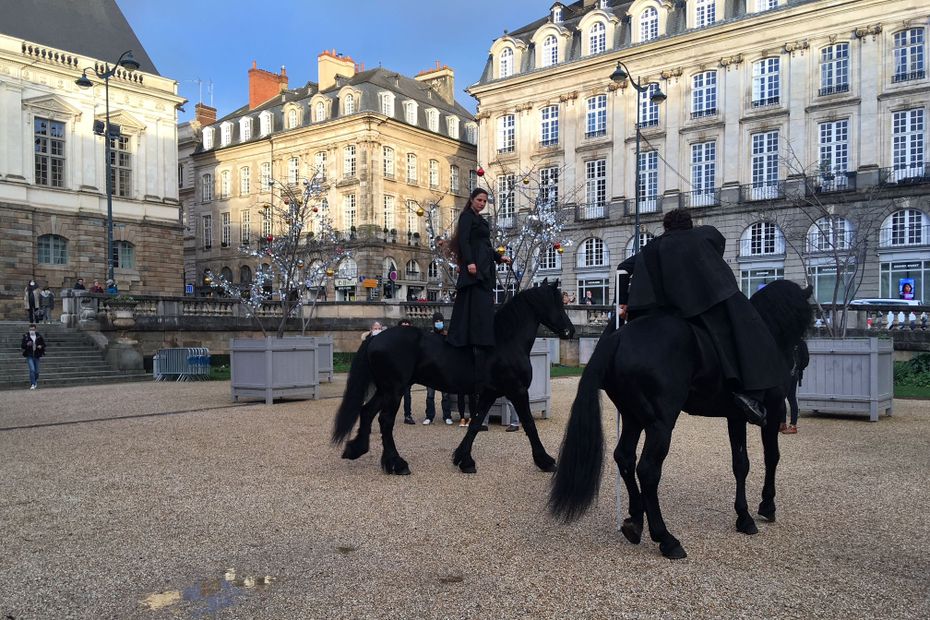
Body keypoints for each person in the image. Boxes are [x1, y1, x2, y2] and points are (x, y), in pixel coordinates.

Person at [616, 208, 783, 426]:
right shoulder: (703, 235)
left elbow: (622, 268)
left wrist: (624, 301)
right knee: (748, 331)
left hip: (669, 309)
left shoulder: (653, 247)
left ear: (666, 227)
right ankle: (752, 395)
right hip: (707, 302)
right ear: (689, 225)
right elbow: (717, 242)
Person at [446, 188, 511, 392]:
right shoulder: (466, 217)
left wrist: (499, 257)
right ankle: (469, 338)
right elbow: (464, 242)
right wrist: (469, 262)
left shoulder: (482, 221)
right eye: (479, 200)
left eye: (484, 201)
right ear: (472, 199)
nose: (482, 203)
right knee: (472, 303)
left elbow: (486, 245)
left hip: (485, 267)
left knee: (484, 303)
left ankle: (483, 337)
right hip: (474, 268)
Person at [423, 312, 454, 425]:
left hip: (444, 369)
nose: (438, 323)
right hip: (431, 369)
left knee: (446, 395)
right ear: (433, 323)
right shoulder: (429, 336)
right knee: (430, 395)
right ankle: (429, 416)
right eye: (436, 321)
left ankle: (447, 416)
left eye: (440, 321)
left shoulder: (446, 335)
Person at [781, 340, 809, 434]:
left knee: (788, 398)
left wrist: (797, 369)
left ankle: (791, 425)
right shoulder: (800, 342)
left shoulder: (794, 342)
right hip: (790, 373)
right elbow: (805, 360)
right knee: (787, 398)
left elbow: (805, 360)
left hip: (790, 373)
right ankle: (785, 423)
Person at [395, 319, 417, 424]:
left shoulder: (412, 342)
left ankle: (407, 415)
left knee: (407, 395)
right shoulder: (394, 341)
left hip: (406, 373)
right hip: (396, 372)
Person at [21, 323, 46, 390]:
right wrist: (27, 344)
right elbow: (22, 346)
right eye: (30, 329)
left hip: (37, 355)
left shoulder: (39, 336)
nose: (32, 331)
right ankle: (33, 383)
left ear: (35, 329)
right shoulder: (26, 336)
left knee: (37, 371)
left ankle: (35, 381)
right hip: (29, 355)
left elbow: (44, 344)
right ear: (29, 329)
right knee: (32, 369)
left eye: (33, 329)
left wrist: (41, 346)